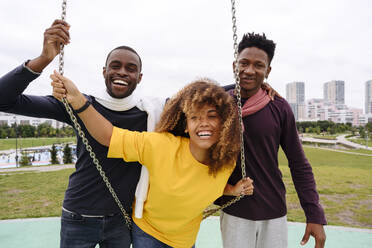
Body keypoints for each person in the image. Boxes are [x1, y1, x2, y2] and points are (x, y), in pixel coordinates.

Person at [0, 20, 165, 248]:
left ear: (140, 77)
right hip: (78, 217)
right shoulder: (79, 103)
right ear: (104, 71)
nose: (122, 72)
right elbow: (4, 99)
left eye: (131, 68)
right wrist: (44, 59)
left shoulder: (151, 112)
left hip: (122, 219)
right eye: (115, 66)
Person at [51, 72, 254, 248]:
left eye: (212, 116)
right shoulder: (161, 146)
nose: (203, 124)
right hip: (149, 234)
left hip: (185, 240)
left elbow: (209, 187)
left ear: (224, 122)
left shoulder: (226, 162)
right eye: (195, 117)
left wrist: (233, 190)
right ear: (186, 125)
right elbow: (109, 136)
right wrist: (78, 101)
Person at [215, 33, 327, 248]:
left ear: (268, 71)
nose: (249, 70)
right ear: (234, 65)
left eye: (258, 65)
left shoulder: (279, 107)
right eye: (243, 63)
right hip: (235, 209)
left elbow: (299, 163)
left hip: (273, 211)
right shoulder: (218, 102)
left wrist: (314, 214)